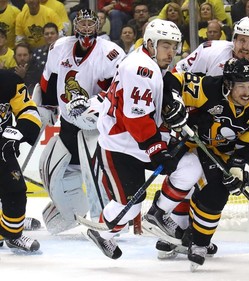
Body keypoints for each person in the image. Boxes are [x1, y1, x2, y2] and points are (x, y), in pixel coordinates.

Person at [163, 17, 249, 256]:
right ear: (233, 38)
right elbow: (178, 76)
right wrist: (178, 108)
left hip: (240, 136)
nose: (245, 46)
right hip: (199, 130)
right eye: (242, 39)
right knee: (191, 175)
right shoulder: (211, 50)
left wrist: (241, 160)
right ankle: (180, 234)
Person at [86, 18, 202, 260]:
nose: (171, 52)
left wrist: (172, 99)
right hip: (120, 145)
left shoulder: (150, 61)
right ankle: (102, 234)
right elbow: (135, 118)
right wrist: (157, 150)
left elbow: (165, 85)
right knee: (130, 207)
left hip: (144, 140)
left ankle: (158, 214)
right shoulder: (140, 68)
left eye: (174, 46)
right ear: (150, 43)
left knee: (190, 167)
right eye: (165, 45)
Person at [156, 58, 249, 268]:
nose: (247, 92)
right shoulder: (210, 88)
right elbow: (172, 81)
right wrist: (176, 102)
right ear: (228, 84)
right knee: (185, 175)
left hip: (228, 154)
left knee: (217, 193)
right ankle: (170, 223)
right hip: (196, 144)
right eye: (241, 86)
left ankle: (199, 241)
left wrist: (238, 166)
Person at [38, 9, 125, 235]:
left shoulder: (110, 53)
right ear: (75, 25)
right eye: (82, 23)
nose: (86, 28)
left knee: (97, 173)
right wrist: (47, 105)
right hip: (68, 122)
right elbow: (50, 77)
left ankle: (108, 218)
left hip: (96, 127)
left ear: (98, 26)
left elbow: (115, 91)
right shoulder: (59, 47)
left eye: (90, 23)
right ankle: (68, 211)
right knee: (51, 170)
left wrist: (92, 105)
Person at [0, 69, 42, 252]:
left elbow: (28, 110)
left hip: (1, 147)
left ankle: (11, 233)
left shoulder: (8, 80)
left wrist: (18, 134)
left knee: (16, 191)